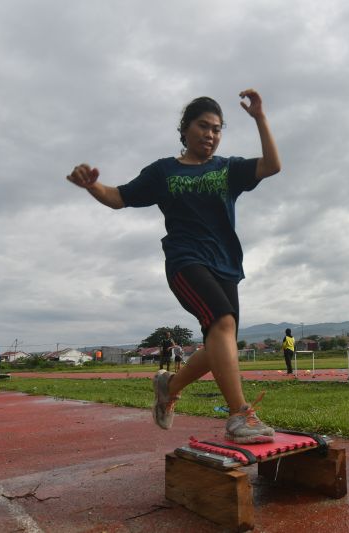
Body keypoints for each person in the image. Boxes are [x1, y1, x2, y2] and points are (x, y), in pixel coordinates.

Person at [66, 89, 281, 444]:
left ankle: (169, 386)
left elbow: (272, 165)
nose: (210, 134)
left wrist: (260, 117)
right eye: (203, 126)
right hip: (185, 261)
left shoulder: (227, 169)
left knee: (219, 346)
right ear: (185, 129)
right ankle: (240, 415)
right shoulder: (163, 172)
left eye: (217, 129)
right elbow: (119, 197)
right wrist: (92, 186)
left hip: (225, 265)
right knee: (223, 323)